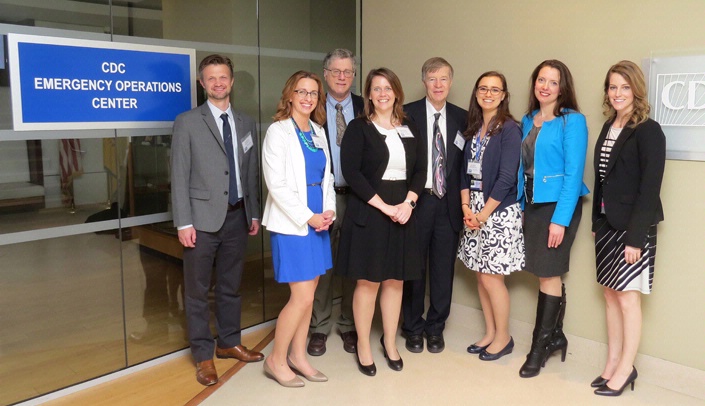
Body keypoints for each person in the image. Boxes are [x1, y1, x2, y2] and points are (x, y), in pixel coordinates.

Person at [171, 54, 263, 386]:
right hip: (200, 220)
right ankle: (203, 356)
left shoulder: (246, 122)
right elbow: (179, 176)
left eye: (223, 77)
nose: (218, 83)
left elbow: (250, 174)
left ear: (232, 80)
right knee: (196, 292)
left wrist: (253, 212)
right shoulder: (187, 122)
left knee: (230, 287)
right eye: (211, 78)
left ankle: (228, 342)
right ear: (202, 83)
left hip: (238, 217)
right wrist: (183, 222)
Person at [336, 68, 426, 376]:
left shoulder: (410, 125)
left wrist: (409, 202)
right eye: (376, 88)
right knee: (368, 281)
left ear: (396, 92)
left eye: (388, 87)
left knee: (395, 280)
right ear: (369, 95)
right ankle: (363, 345)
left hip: (403, 208)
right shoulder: (358, 127)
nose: (383, 93)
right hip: (370, 210)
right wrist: (384, 207)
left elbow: (421, 170)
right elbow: (352, 172)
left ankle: (389, 343)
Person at [591, 61, 666, 397]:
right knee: (609, 295)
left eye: (624, 87)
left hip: (634, 229)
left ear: (636, 89)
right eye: (612, 86)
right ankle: (611, 363)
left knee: (627, 300)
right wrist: (596, 221)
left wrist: (636, 238)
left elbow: (650, 188)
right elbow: (602, 180)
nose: (617, 93)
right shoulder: (610, 125)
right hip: (607, 224)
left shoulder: (649, 130)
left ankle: (626, 369)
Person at [261, 71, 336, 387]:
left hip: (320, 220)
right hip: (294, 223)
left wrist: (328, 208)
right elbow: (276, 184)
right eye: (301, 92)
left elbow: (327, 177)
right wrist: (309, 216)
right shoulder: (278, 132)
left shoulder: (318, 130)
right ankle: (276, 360)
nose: (307, 98)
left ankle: (298, 357)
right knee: (302, 297)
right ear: (289, 95)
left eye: (313, 93)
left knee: (310, 293)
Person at [517, 59, 589, 378]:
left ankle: (539, 347)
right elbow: (523, 166)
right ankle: (556, 335)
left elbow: (574, 174)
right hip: (532, 205)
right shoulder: (527, 119)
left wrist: (559, 219)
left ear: (563, 88)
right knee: (547, 272)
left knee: (548, 273)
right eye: (540, 80)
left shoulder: (572, 121)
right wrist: (520, 203)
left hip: (559, 205)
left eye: (552, 81)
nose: (545, 86)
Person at [402, 57, 467, 354]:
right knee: (414, 269)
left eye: (443, 79)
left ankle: (436, 327)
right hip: (418, 201)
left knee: (443, 270)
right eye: (432, 79)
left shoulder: (463, 118)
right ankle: (412, 327)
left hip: (449, 205)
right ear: (424, 82)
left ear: (450, 83)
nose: (438, 85)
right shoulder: (405, 114)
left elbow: (467, 165)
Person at [458, 71, 524, 361]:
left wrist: (483, 214)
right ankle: (489, 332)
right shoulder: (471, 129)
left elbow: (507, 177)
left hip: (497, 212)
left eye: (495, 89)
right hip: (472, 210)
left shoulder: (509, 129)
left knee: (492, 278)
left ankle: (504, 337)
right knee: (480, 276)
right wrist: (465, 208)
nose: (488, 93)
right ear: (476, 93)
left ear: (504, 95)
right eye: (483, 88)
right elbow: (462, 171)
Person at [308, 49, 364, 357]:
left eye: (348, 72)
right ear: (325, 74)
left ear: (353, 76)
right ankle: (319, 326)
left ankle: (348, 324)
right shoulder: (311, 106)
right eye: (336, 71)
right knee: (324, 264)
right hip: (323, 199)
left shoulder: (365, 107)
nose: (342, 77)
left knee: (352, 264)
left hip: (357, 198)